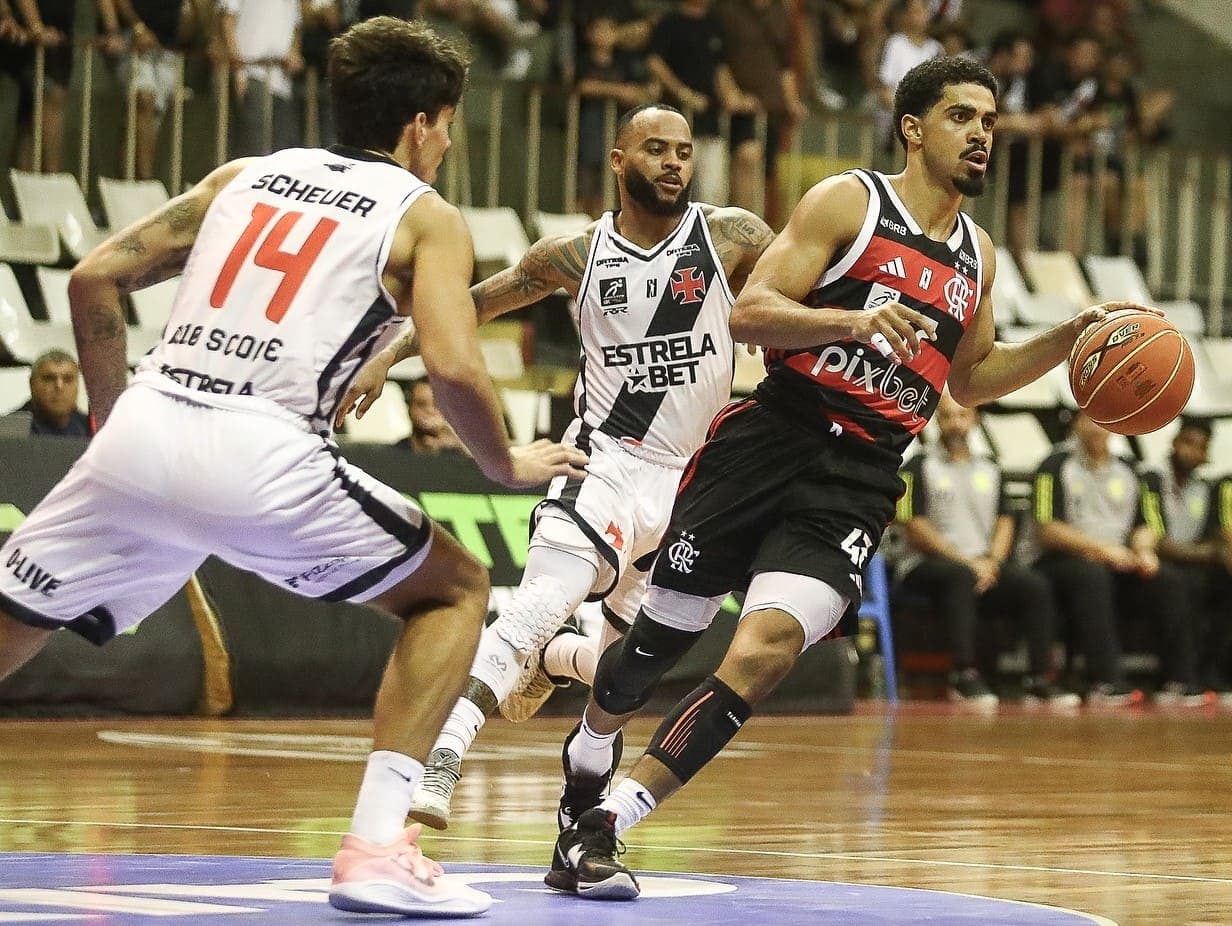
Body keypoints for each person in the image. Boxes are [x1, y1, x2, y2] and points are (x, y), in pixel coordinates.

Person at [0, 16, 587, 918]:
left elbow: (91, 280)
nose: (450, 142)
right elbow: (460, 367)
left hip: (145, 425)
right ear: (426, 123)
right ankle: (378, 847)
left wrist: (118, 426)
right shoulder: (426, 216)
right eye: (451, 125)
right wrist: (505, 460)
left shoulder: (244, 175)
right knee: (456, 590)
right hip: (260, 449)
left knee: (13, 622)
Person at [544, 55, 1130, 901]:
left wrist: (1066, 338)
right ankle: (590, 747)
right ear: (914, 128)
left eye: (991, 122)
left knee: (768, 647)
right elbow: (749, 313)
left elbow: (970, 378)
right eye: (963, 117)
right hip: (772, 437)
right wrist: (852, 318)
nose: (981, 135)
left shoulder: (979, 255)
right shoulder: (849, 202)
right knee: (654, 646)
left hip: (858, 475)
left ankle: (605, 826)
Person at [337, 103, 774, 831]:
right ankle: (442, 761)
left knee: (622, 674)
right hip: (602, 459)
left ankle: (559, 661)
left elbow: (798, 288)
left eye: (685, 151)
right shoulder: (575, 255)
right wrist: (388, 354)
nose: (673, 163)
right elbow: (474, 304)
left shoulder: (731, 236)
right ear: (617, 159)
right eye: (656, 149)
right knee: (536, 604)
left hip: (687, 484)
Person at [896, 392, 1077, 707]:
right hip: (924, 564)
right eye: (948, 416)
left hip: (982, 563)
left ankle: (1040, 677)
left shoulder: (991, 467)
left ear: (975, 419)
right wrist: (968, 562)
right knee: (959, 577)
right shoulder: (918, 465)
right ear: (937, 421)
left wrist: (992, 561)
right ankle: (963, 675)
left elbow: (1005, 520)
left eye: (962, 416)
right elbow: (916, 528)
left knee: (1034, 586)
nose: (956, 424)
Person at [1033, 413, 1202, 706]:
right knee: (1091, 576)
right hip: (1064, 560)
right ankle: (1106, 680)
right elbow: (1048, 530)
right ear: (1076, 424)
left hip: (1119, 561)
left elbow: (1148, 524)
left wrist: (1143, 551)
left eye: (1103, 420)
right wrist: (1101, 550)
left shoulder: (1132, 470)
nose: (1097, 427)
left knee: (1169, 580)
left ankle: (1178, 680)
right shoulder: (1054, 466)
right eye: (1089, 419)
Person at [1139, 418, 1232, 700]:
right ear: (1175, 443)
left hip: (1194, 566)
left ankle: (1215, 674)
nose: (1193, 452)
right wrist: (1209, 552)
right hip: (1153, 564)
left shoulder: (1205, 487)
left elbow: (1213, 539)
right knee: (1178, 584)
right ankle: (1178, 677)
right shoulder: (1152, 479)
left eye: (1201, 447)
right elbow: (1157, 540)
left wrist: (1212, 553)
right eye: (1188, 443)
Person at [20, 349, 91, 437]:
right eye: (49, 378)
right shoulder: (11, 429)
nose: (59, 386)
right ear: (32, 384)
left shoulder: (93, 429)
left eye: (68, 379)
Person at [394, 377, 465, 454]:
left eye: (438, 405)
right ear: (410, 408)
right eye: (421, 404)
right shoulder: (394, 454)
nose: (430, 411)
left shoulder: (461, 450)